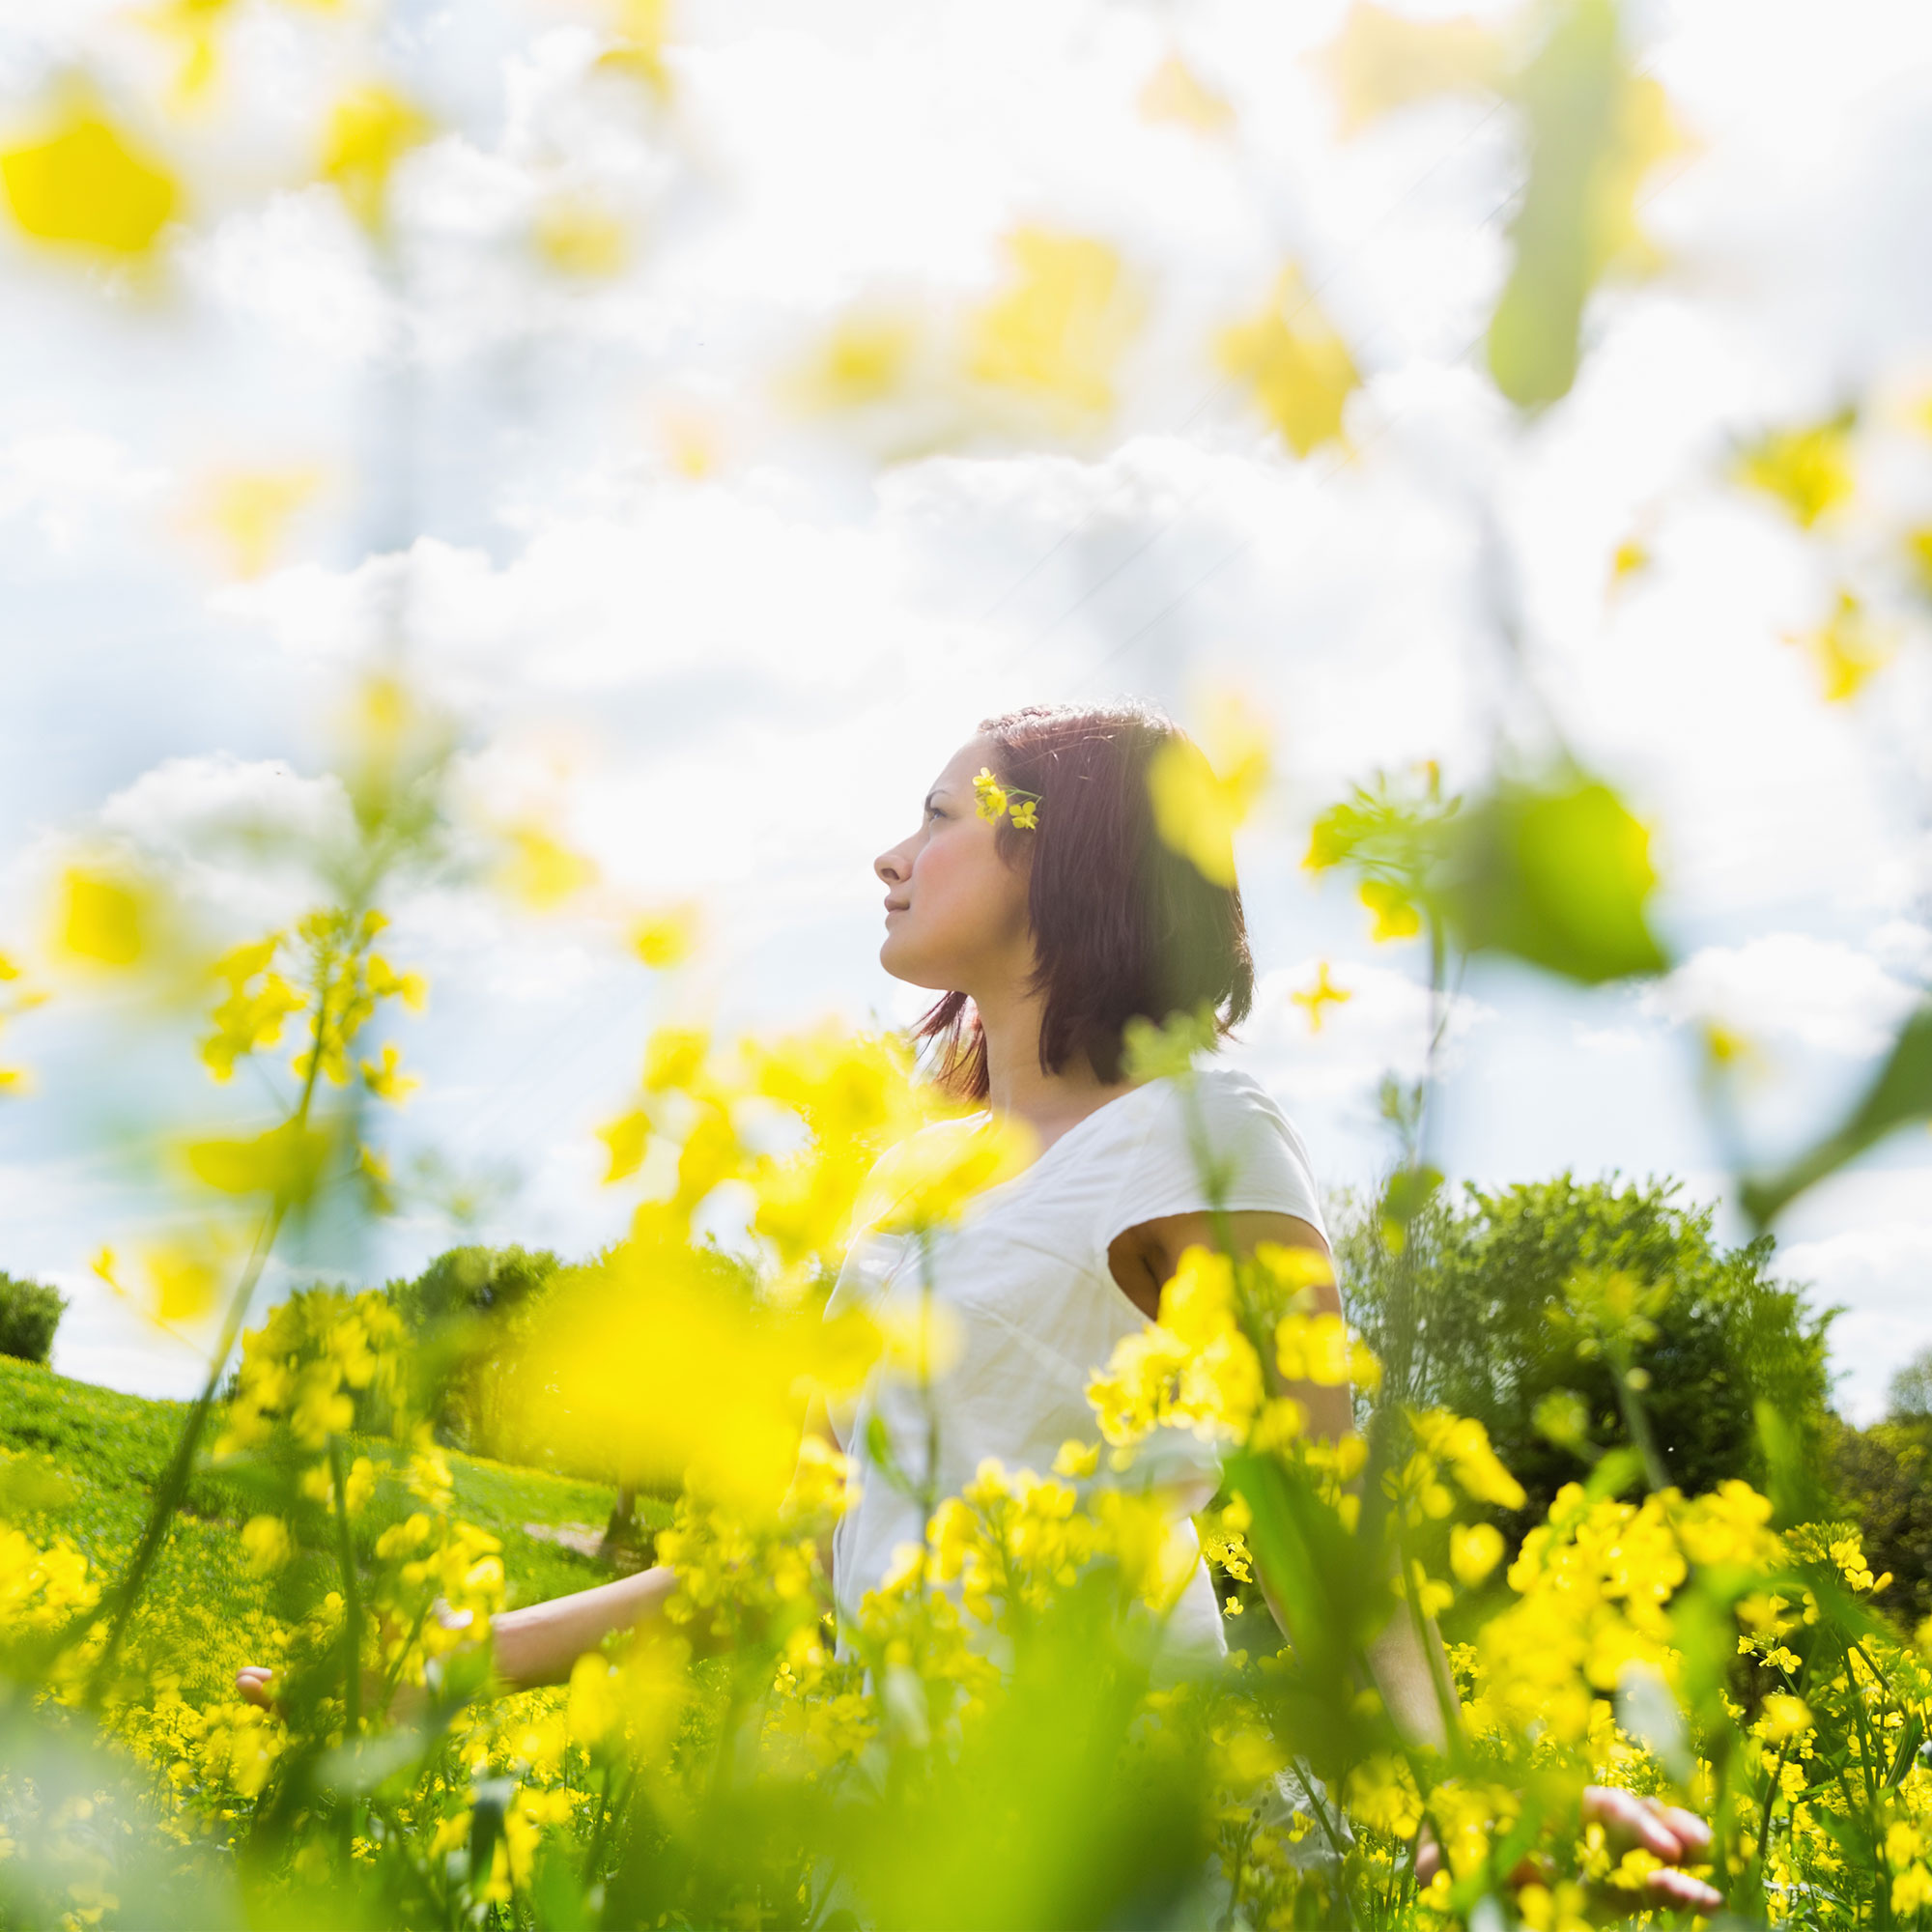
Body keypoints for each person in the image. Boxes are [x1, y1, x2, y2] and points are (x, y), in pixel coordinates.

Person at [238, 699, 1719, 1910]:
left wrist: (1464, 1795)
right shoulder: (910, 1183)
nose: (892, 856)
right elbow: (794, 1557)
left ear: (1060, 858)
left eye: (939, 817)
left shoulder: (1203, 1138)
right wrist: (448, 1666)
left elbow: (1325, 1510)